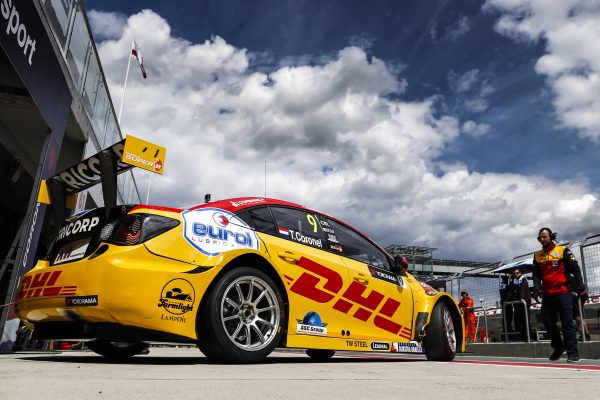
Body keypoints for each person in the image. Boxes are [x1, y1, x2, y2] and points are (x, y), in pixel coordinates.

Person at [532, 227, 587, 363]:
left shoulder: (563, 251)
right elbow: (536, 275)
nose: (542, 239)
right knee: (547, 323)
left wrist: (580, 286)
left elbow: (576, 268)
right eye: (540, 238)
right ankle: (558, 347)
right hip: (547, 295)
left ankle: (573, 354)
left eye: (544, 236)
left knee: (567, 323)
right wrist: (537, 288)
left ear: (551, 236)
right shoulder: (537, 255)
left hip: (563, 293)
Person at [506, 268, 531, 341]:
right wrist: (506, 300)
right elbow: (511, 292)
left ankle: (529, 337)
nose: (515, 274)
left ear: (520, 273)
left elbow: (523, 289)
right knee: (519, 320)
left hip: (525, 300)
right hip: (518, 302)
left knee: (526, 318)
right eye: (514, 273)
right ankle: (523, 336)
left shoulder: (523, 279)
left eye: (517, 273)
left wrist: (522, 298)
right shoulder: (514, 281)